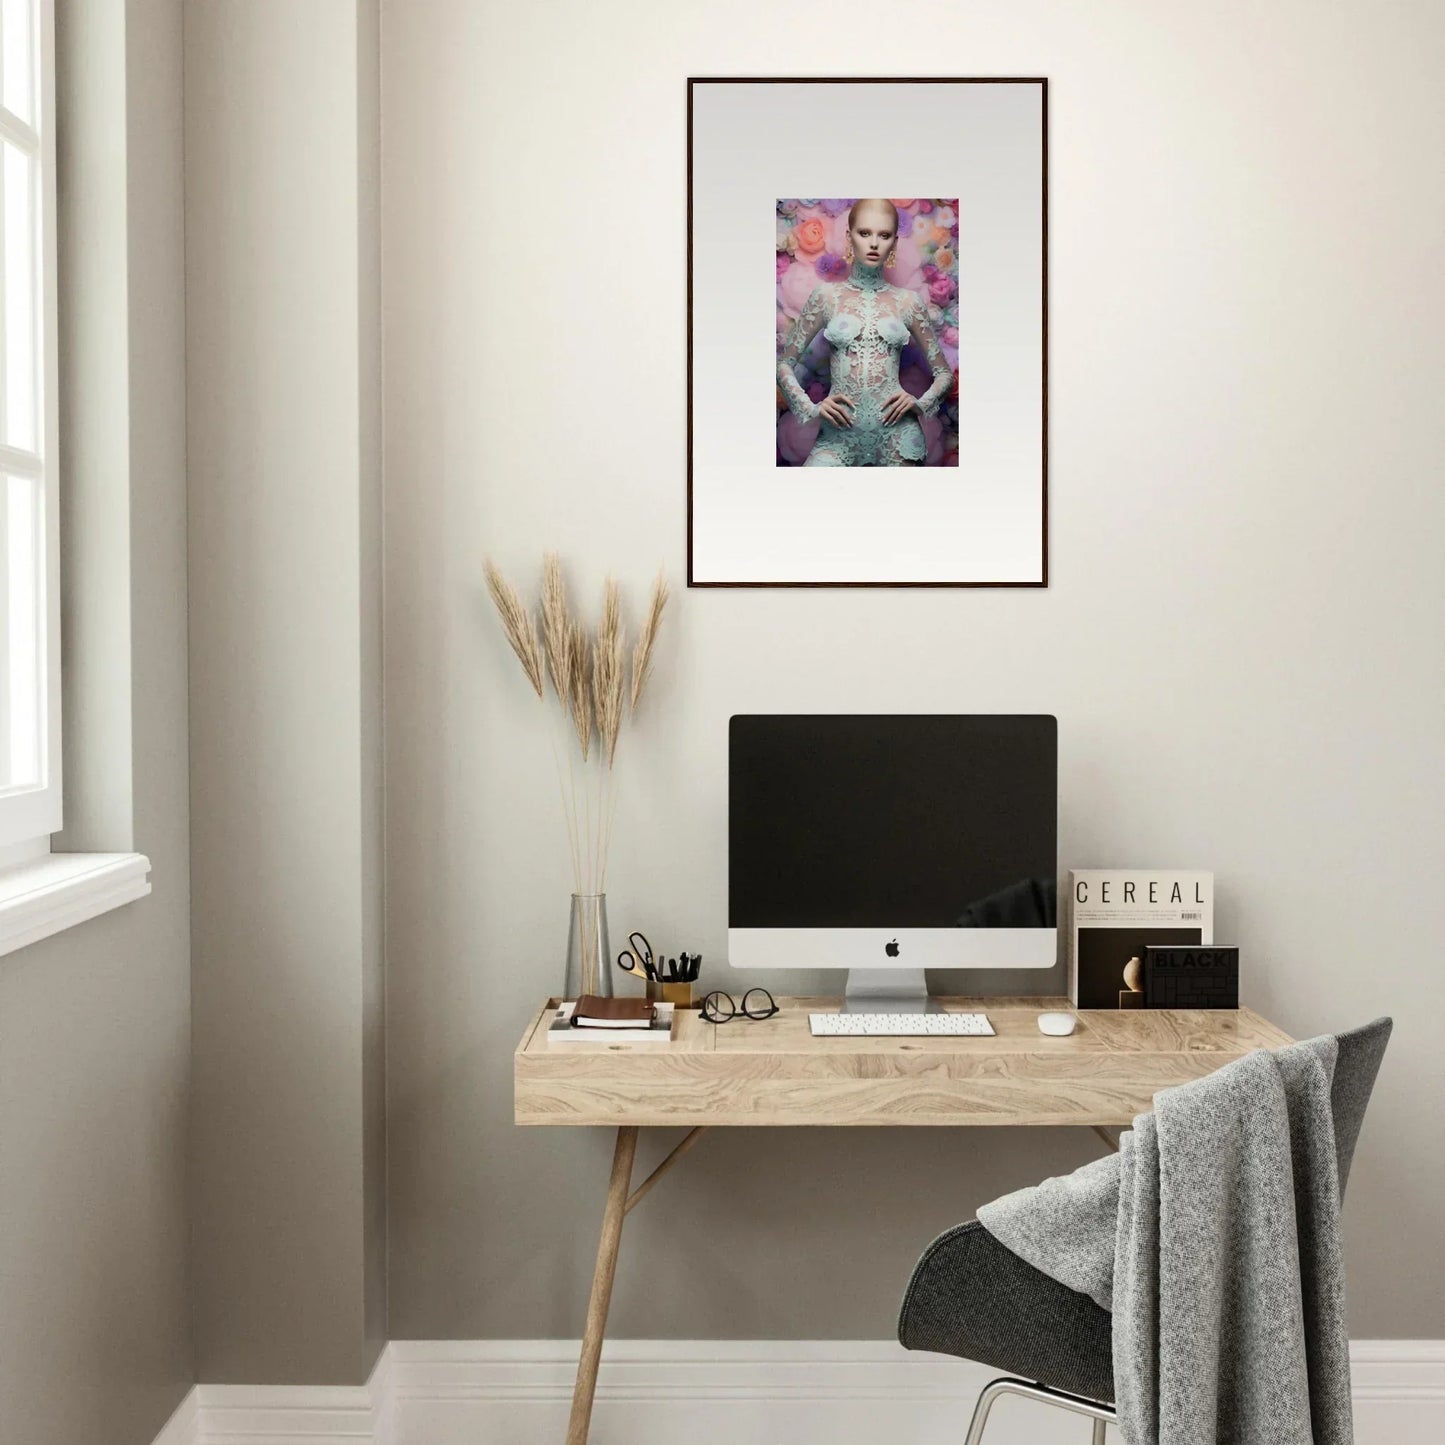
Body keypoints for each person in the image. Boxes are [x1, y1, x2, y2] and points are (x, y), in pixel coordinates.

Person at [777, 199, 954, 467]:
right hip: (837, 437)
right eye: (864, 233)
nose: (873, 243)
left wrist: (920, 403)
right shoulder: (826, 297)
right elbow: (784, 364)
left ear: (894, 242)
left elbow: (943, 374)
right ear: (849, 237)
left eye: (883, 236)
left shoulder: (908, 302)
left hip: (898, 435)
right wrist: (810, 407)